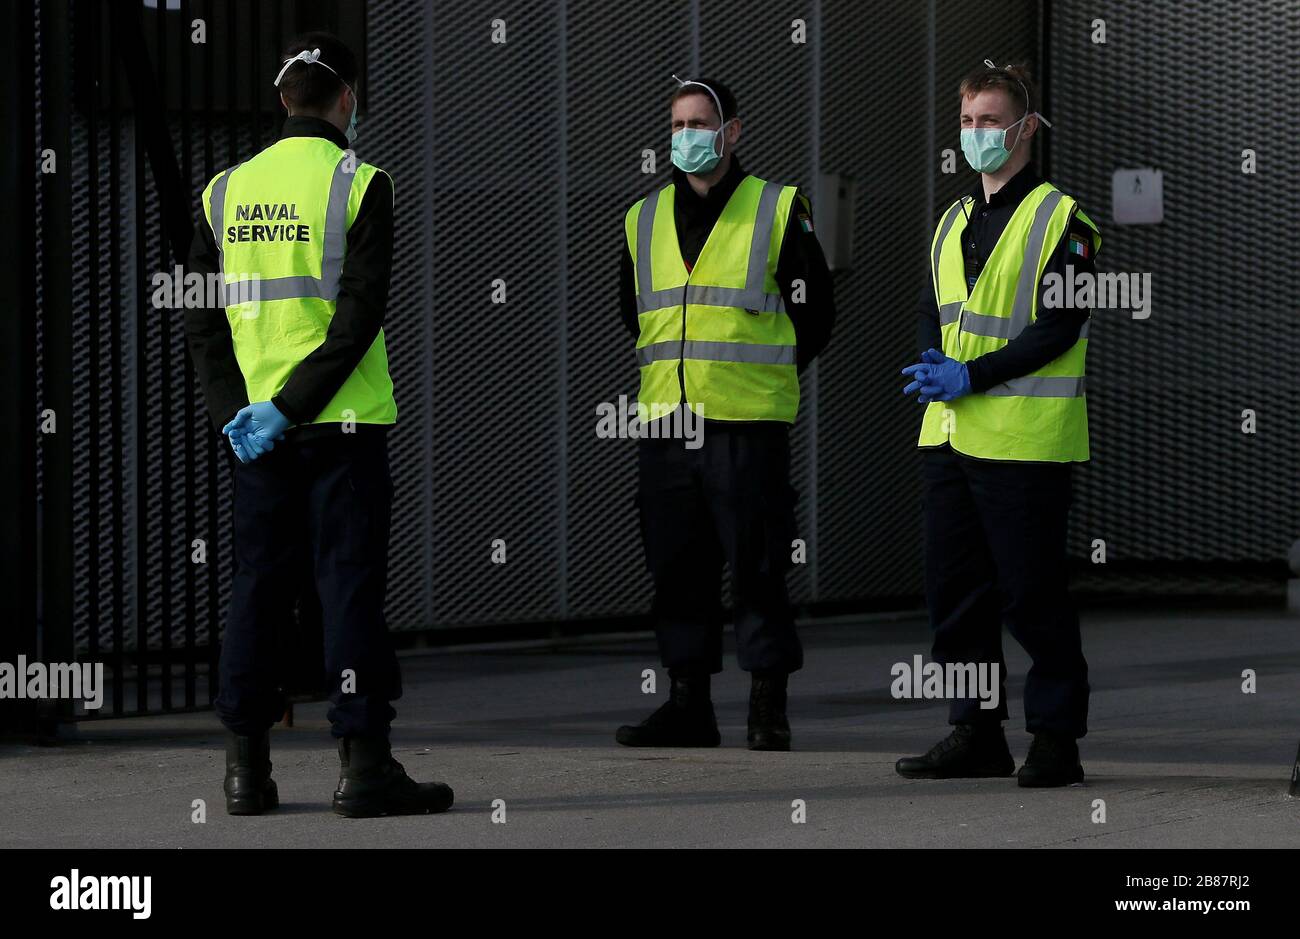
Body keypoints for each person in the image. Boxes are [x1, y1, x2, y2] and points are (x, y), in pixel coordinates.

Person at [184, 31, 453, 817]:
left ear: (282, 99)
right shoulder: (361, 182)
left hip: (256, 438)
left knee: (258, 590)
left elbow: (201, 324)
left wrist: (239, 414)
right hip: (342, 428)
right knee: (348, 593)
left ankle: (245, 772)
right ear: (348, 100)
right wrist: (293, 407)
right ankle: (363, 766)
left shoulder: (222, 191)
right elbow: (359, 317)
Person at [896, 61, 1101, 787]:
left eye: (990, 120)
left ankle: (1055, 739)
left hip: (1024, 442)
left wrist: (971, 374)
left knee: (1032, 592)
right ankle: (976, 730)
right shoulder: (952, 220)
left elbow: (1059, 326)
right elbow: (935, 307)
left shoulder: (1064, 220)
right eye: (969, 121)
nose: (977, 133)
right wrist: (933, 364)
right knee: (956, 593)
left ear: (1027, 128)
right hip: (949, 436)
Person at [615, 76, 835, 751]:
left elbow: (815, 315)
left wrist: (756, 376)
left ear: (732, 130)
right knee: (678, 568)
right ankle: (688, 704)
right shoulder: (642, 217)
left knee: (759, 566)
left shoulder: (776, 208)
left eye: (700, 123)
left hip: (746, 427)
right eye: (678, 125)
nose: (687, 137)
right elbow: (634, 313)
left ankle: (768, 705)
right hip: (666, 426)